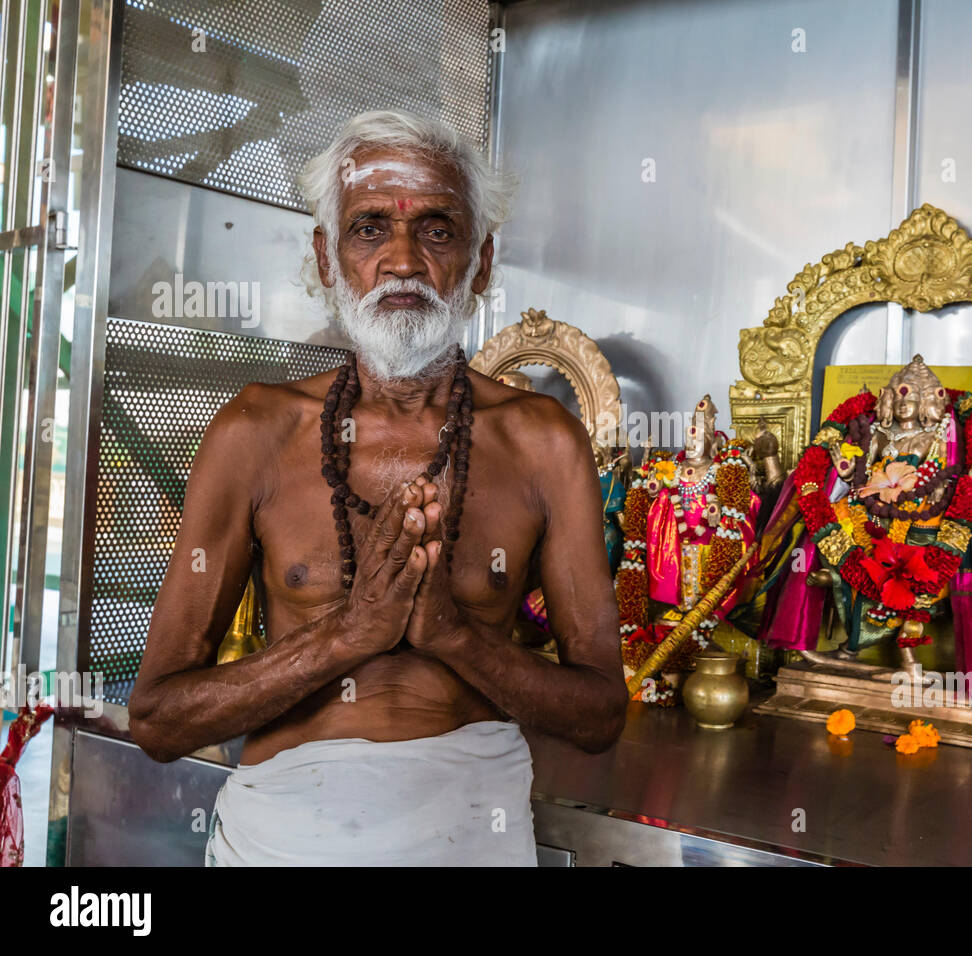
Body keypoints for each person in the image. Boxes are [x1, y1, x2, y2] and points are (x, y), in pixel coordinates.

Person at [126, 109, 626, 866]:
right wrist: (349, 634)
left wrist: (452, 635)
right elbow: (159, 721)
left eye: (436, 230)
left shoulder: (543, 441)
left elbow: (600, 715)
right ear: (327, 258)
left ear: (481, 262)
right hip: (281, 840)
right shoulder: (255, 431)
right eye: (369, 230)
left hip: (472, 837)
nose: (401, 260)